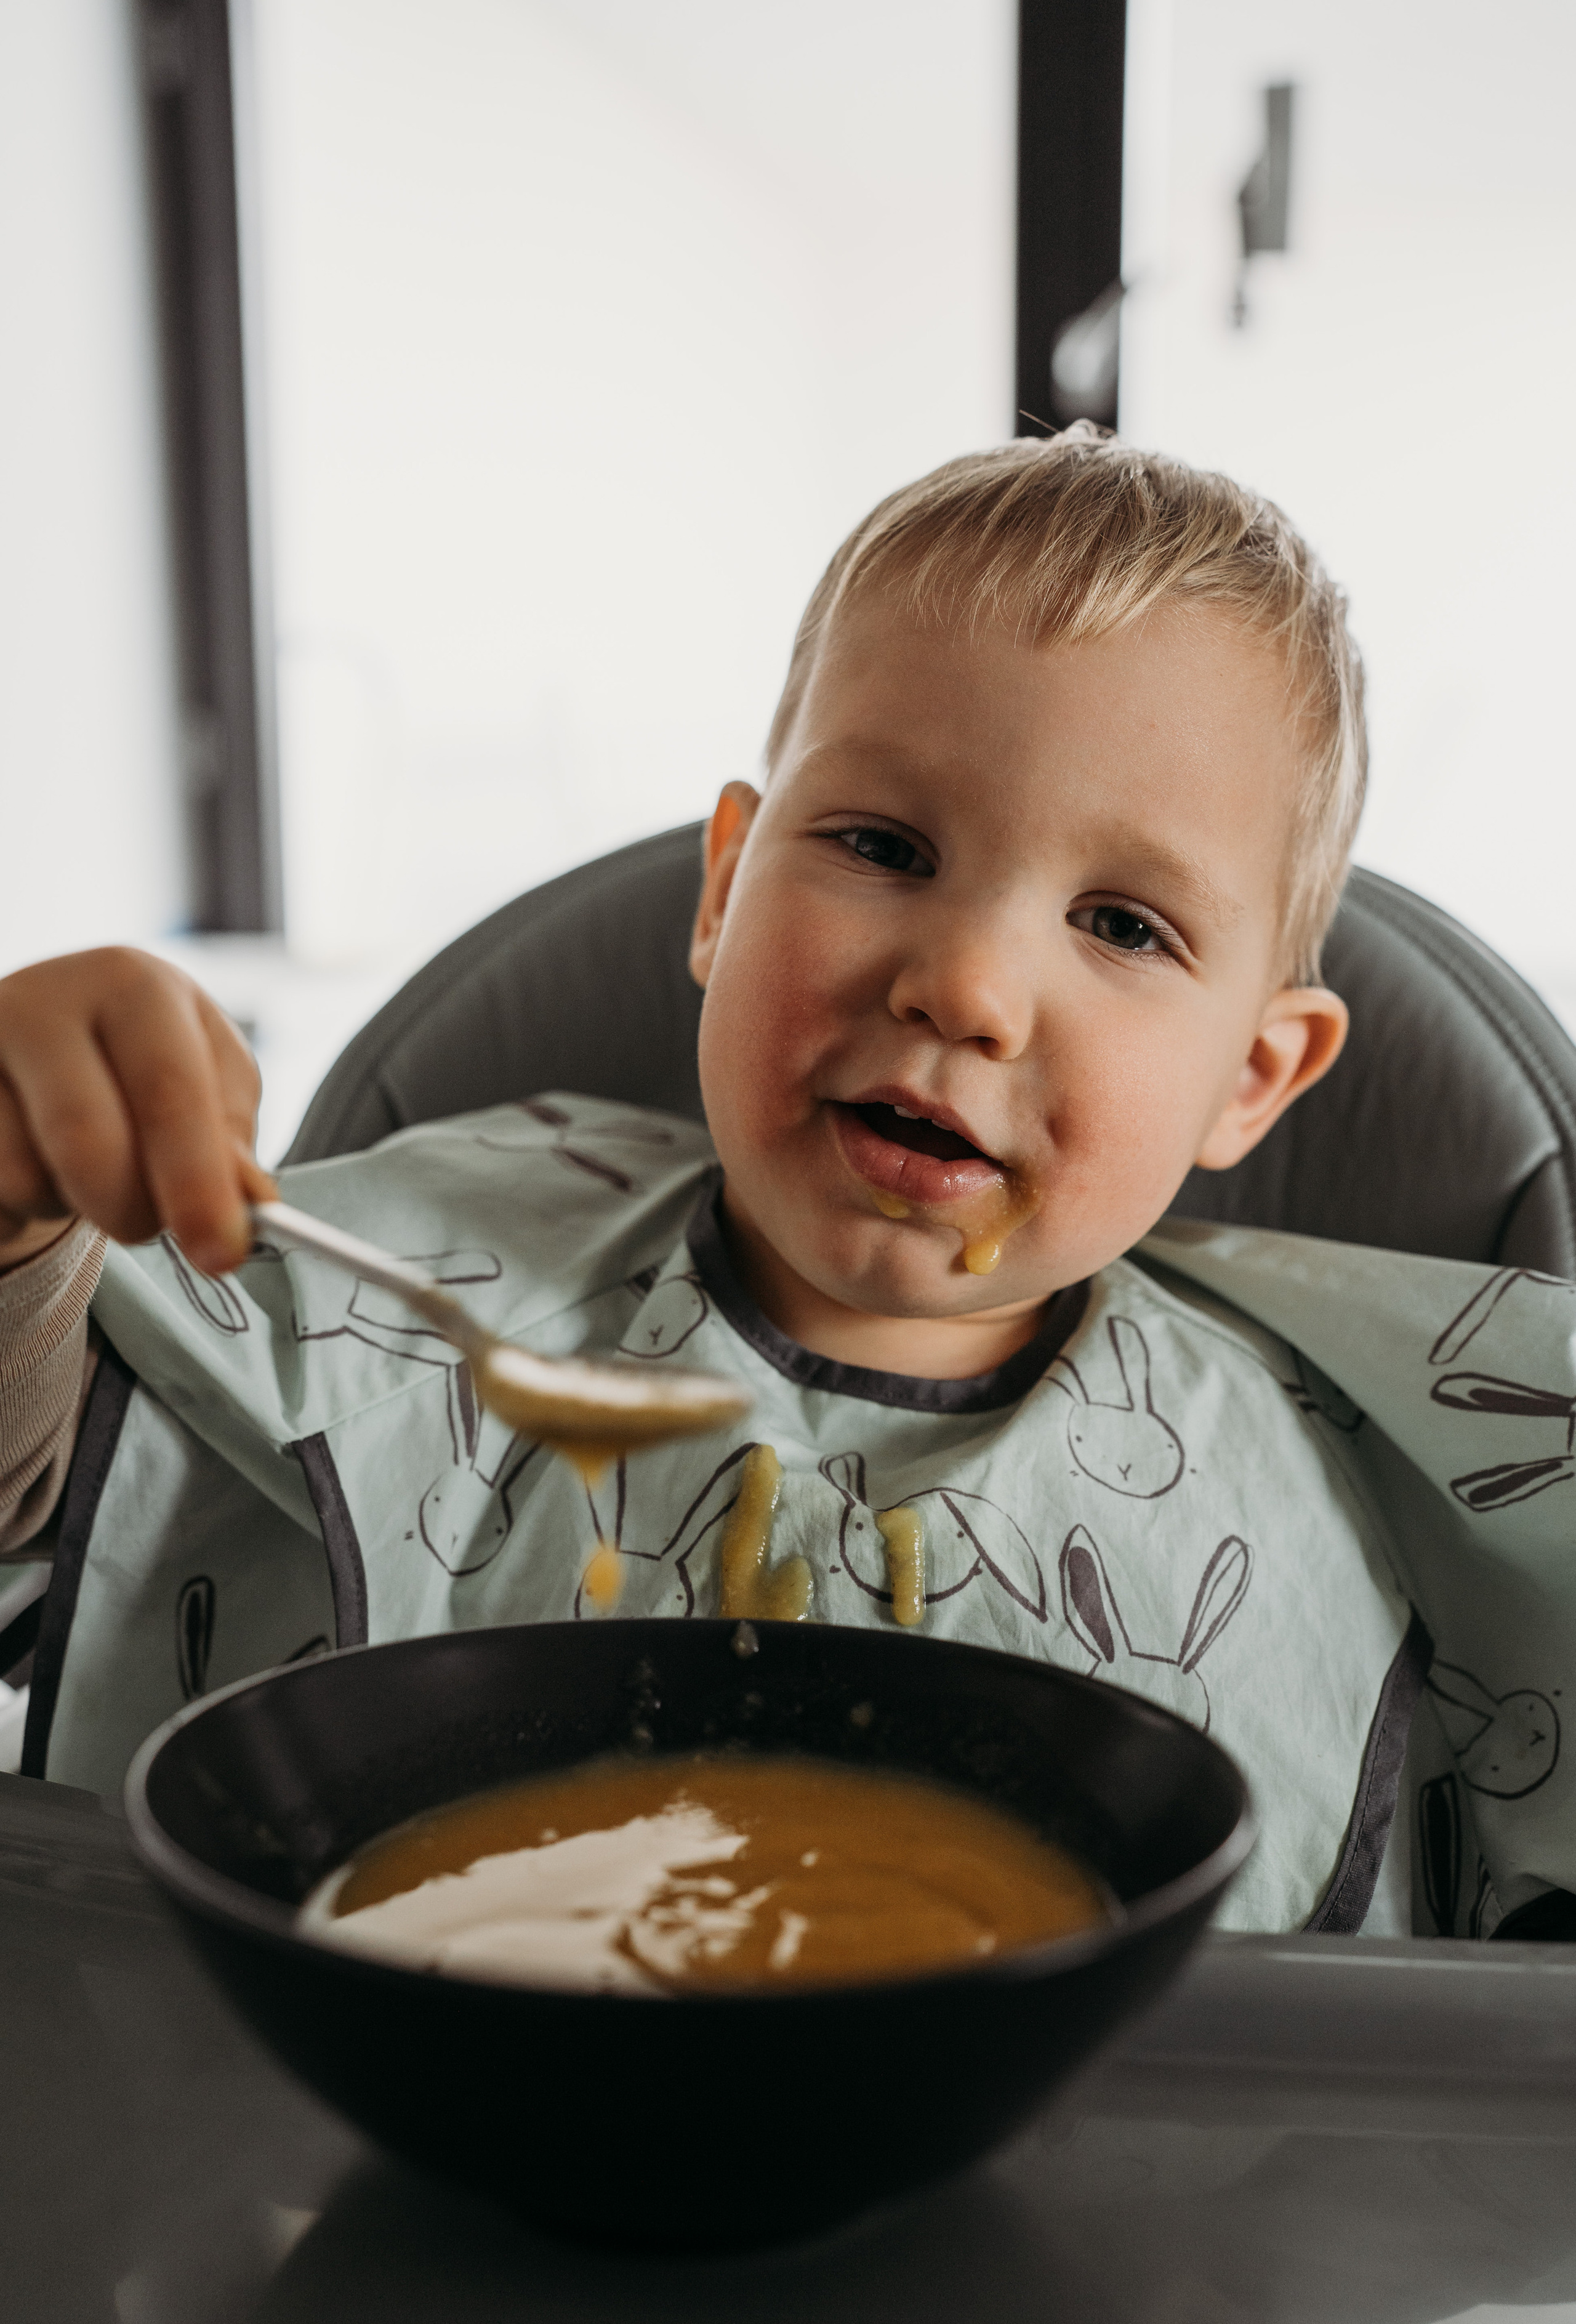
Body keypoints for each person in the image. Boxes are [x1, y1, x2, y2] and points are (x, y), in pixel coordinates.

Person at [1, 428, 1570, 1939]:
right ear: (723, 892)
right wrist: (18, 1211)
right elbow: (44, 1495)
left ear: (1251, 1077)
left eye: (1121, 926)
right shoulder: (410, 1288)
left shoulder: (1343, 1496)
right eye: (883, 846)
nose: (965, 986)